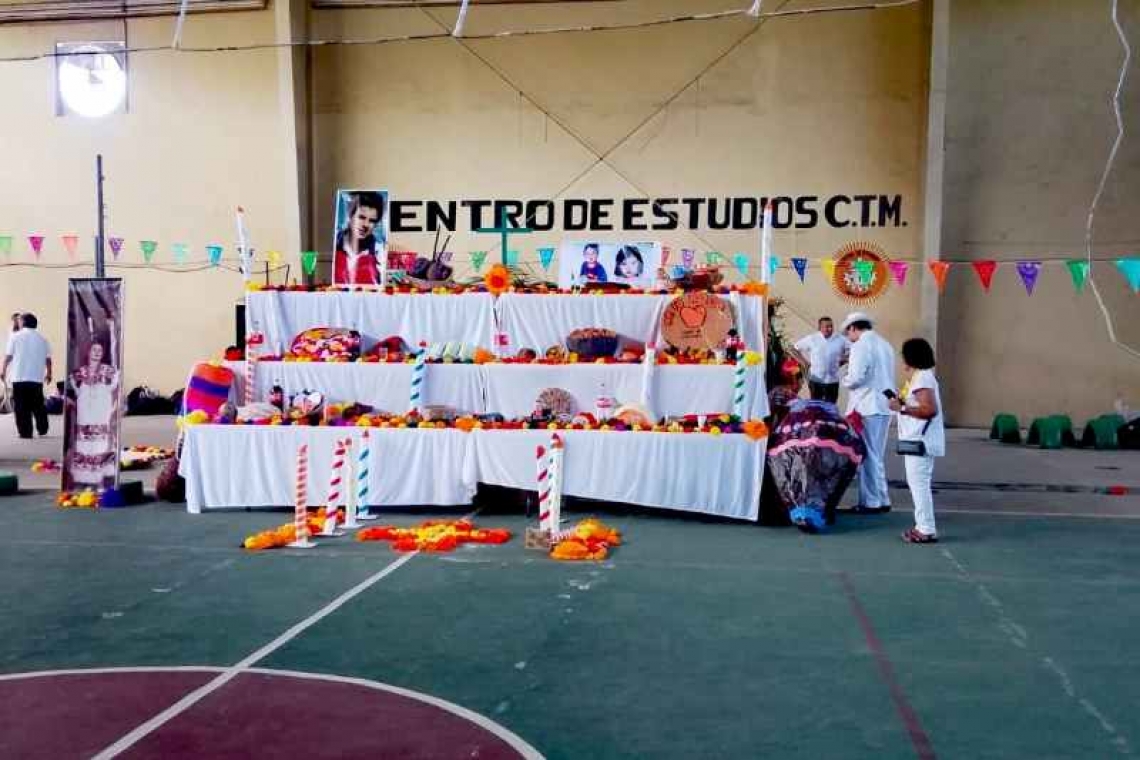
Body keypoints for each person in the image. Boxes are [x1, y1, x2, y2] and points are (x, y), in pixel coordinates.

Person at [888, 338, 945, 544]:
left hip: (920, 441)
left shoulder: (922, 379)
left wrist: (902, 408)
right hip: (917, 440)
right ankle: (924, 526)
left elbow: (929, 409)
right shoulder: (920, 378)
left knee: (919, 485)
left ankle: (926, 529)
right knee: (918, 484)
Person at [840, 312, 895, 514]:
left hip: (867, 405)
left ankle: (871, 501)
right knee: (876, 454)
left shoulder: (860, 346)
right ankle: (882, 497)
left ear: (854, 328)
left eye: (848, 333)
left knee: (868, 455)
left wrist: (844, 378)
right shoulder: (885, 344)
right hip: (884, 404)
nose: (848, 337)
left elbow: (856, 378)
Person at [67, 334, 121, 488]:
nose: (97, 353)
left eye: (100, 350)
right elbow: (73, 391)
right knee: (84, 443)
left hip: (100, 413)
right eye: (94, 350)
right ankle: (84, 476)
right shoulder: (79, 372)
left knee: (101, 443)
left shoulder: (108, 370)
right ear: (88, 352)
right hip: (85, 414)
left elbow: (115, 386)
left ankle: (101, 475)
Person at [2, 313, 52, 439]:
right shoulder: (43, 339)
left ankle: (25, 432)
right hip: (36, 377)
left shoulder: (15, 337)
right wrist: (49, 373)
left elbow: (8, 356)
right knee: (38, 404)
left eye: (20, 320)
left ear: (23, 322)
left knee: (21, 406)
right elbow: (48, 359)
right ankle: (43, 428)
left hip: (19, 377)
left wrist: (3, 370)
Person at [333, 191, 386, 287]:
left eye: (372, 221)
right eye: (361, 217)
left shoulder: (379, 252)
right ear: (350, 216)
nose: (365, 224)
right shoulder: (334, 243)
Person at [793, 316, 848, 403]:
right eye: (826, 326)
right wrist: (804, 362)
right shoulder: (812, 339)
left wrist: (844, 360)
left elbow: (854, 350)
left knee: (830, 408)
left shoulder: (840, 339)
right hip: (816, 381)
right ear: (820, 328)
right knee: (816, 408)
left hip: (832, 382)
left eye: (831, 326)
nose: (829, 329)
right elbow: (794, 348)